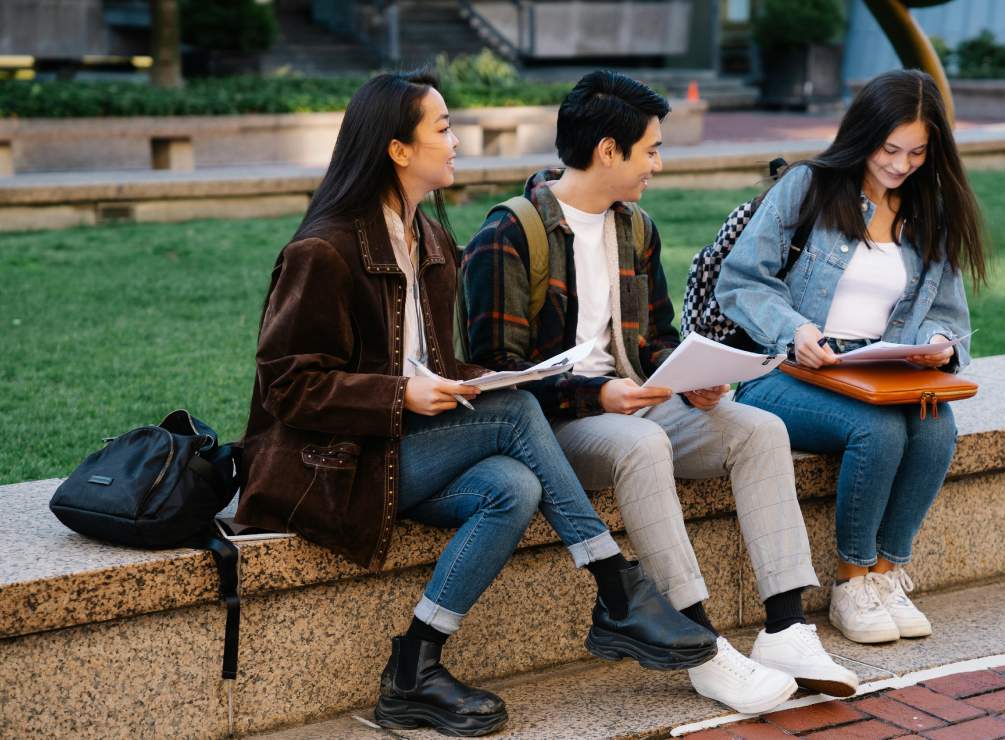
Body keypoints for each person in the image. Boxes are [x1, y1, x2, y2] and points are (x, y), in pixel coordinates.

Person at [235, 71, 716, 737]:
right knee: (519, 412)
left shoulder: (428, 239)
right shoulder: (325, 249)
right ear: (398, 150)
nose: (456, 141)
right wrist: (401, 392)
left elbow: (435, 360)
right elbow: (286, 385)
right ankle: (613, 587)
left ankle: (414, 665)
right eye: (442, 129)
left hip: (403, 448)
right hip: (335, 467)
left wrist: (470, 381)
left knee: (513, 487)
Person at [462, 70, 859, 714]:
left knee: (759, 429)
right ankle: (698, 644)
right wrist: (599, 396)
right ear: (607, 151)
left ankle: (785, 629)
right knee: (642, 442)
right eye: (650, 148)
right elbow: (497, 376)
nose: (658, 162)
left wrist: (691, 373)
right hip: (554, 423)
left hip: (633, 404)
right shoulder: (511, 234)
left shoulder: (636, 228)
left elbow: (654, 339)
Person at [716, 69, 988, 645]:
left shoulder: (929, 209)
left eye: (917, 152)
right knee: (880, 433)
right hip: (784, 369)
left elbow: (949, 313)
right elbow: (740, 281)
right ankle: (850, 581)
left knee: (937, 427)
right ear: (863, 134)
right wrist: (794, 330)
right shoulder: (809, 187)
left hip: (879, 369)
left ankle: (887, 573)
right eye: (890, 149)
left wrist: (940, 344)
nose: (900, 164)